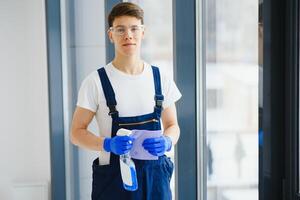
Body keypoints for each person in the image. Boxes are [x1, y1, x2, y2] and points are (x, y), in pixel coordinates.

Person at [70, 2, 181, 200]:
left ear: (143, 32)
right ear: (110, 34)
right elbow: (76, 133)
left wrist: (167, 141)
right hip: (114, 184)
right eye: (120, 29)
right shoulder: (95, 82)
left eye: (134, 28)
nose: (128, 35)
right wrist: (107, 144)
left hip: (156, 181)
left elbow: (173, 125)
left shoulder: (160, 78)